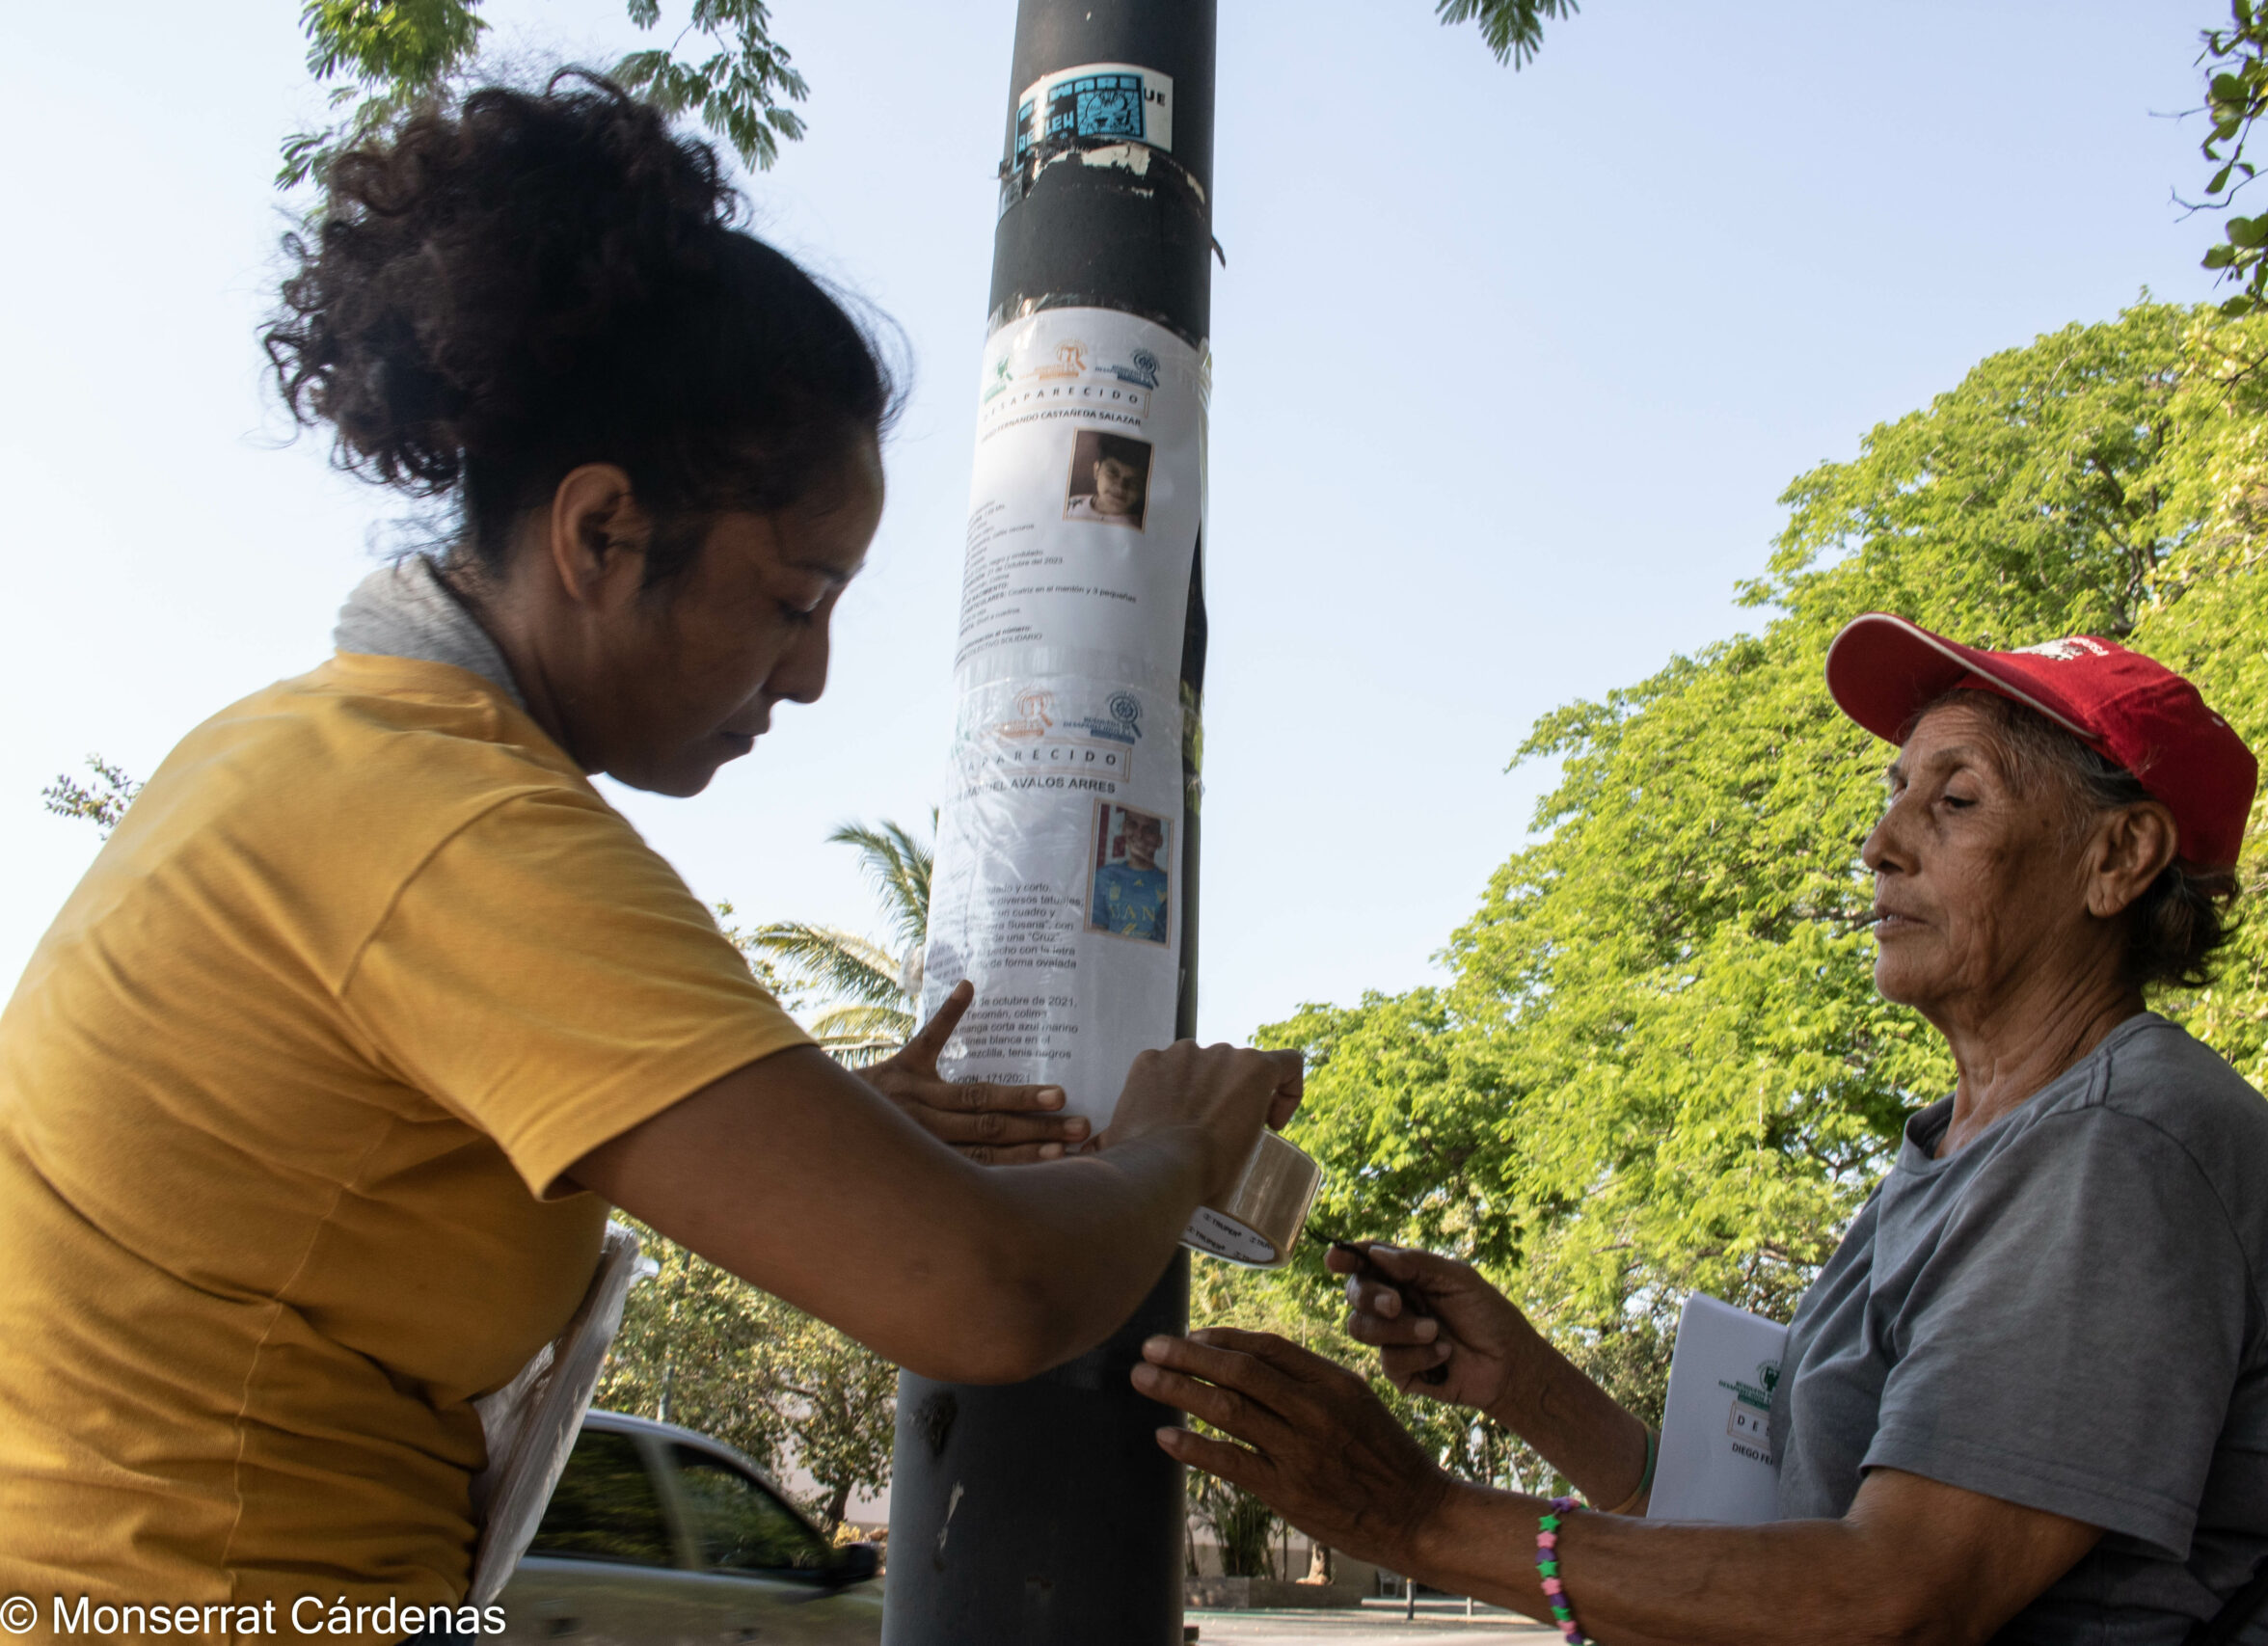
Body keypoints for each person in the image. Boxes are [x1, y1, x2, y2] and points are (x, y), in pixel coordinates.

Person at [0, 76, 1301, 1623]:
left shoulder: (312, 750)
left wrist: (828, 1127)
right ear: (602, 533)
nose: (811, 671)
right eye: (794, 596)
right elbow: (986, 1290)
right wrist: (1173, 1145)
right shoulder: (456, 826)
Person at [1132, 615, 2268, 1646]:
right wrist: (1534, 1392)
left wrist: (1418, 1518)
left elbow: (1895, 1599)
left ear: (2118, 857)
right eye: (1893, 796)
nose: (1880, 846)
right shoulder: (1967, 1143)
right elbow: (1781, 1529)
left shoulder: (2120, 1151)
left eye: (1956, 800)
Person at [1093, 809, 1171, 941]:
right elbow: (1095, 934)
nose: (1139, 834)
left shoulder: (1168, 885)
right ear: (1123, 829)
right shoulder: (1104, 876)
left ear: (1160, 840)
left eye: (1149, 830)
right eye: (1133, 825)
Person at [1064, 432, 1148, 526]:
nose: (1120, 487)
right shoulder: (1071, 505)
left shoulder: (1137, 526)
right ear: (1096, 470)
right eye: (1112, 473)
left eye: (1134, 482)